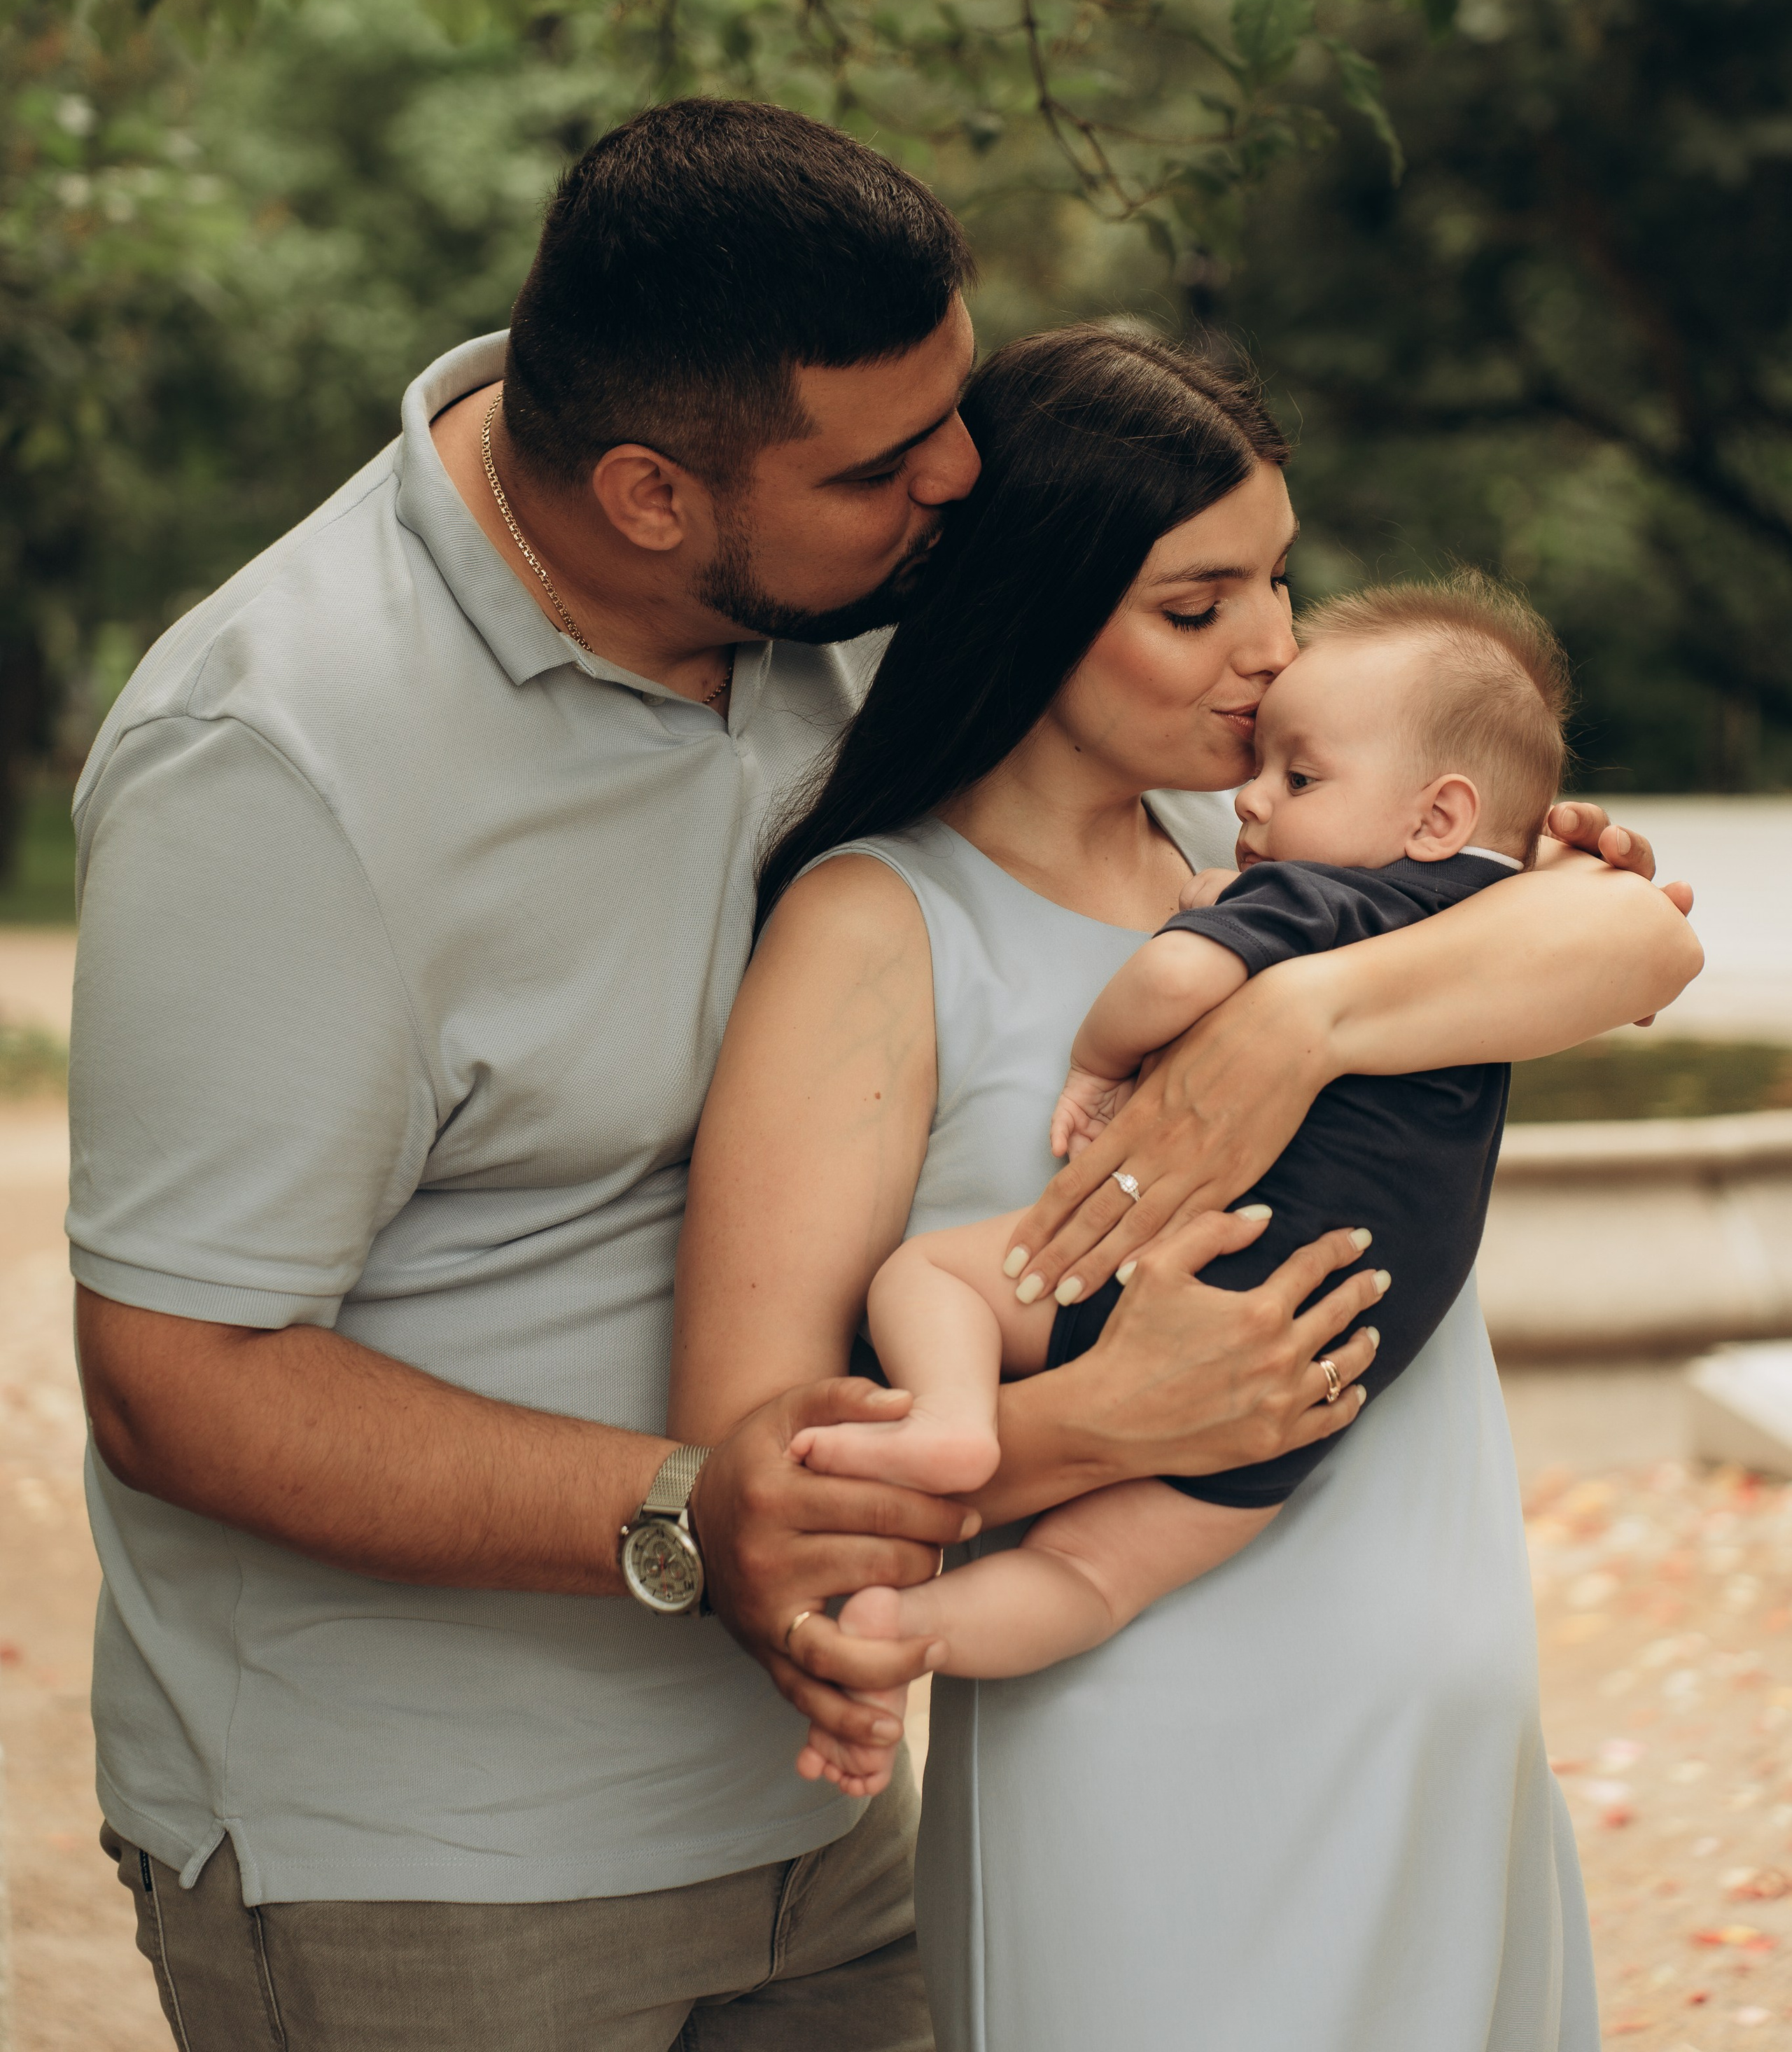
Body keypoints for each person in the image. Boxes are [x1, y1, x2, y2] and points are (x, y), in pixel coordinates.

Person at [66, 102, 1467, 2052]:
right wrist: (680, 1509)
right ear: (652, 494)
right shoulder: (279, 768)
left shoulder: (842, 610)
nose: (961, 482)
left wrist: (1369, 975)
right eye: (890, 461)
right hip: (428, 1863)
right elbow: (175, 1379)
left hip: (818, 1810)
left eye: (958, 407)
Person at [672, 326, 1702, 2052]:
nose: (1272, 651)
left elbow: (1637, 944)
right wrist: (1094, 1423)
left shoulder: (1296, 865)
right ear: (1033, 601)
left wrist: (1296, 1018)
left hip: (1437, 1709)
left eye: (1279, 584)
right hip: (1145, 1744)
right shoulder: (877, 922)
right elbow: (754, 1474)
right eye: (1194, 603)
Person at [785, 573, 1600, 1795]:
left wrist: (1100, 1059)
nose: (1253, 801)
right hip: (1318, 1372)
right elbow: (1637, 942)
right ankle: (912, 1637)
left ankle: (952, 1422)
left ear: (1435, 817)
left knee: (932, 1273)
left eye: (1299, 780)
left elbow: (1169, 985)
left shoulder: (1319, 898)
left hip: (1176, 1281)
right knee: (1094, 1580)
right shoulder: (1499, 923)